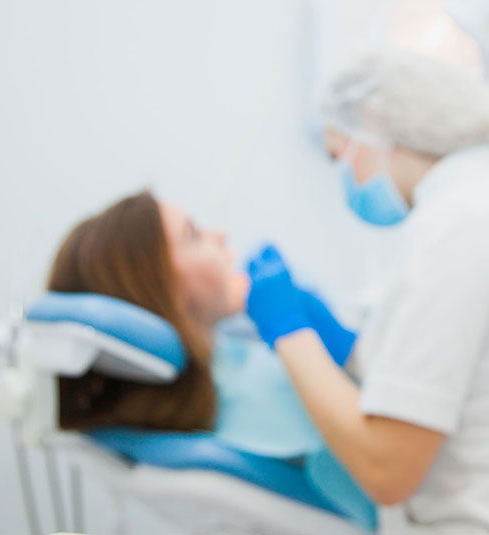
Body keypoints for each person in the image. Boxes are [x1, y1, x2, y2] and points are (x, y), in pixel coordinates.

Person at [243, 49, 489, 534]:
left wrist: (290, 334)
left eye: (342, 156)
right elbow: (464, 377)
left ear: (375, 124)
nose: (347, 179)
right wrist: (349, 349)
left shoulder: (455, 228)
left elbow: (386, 469)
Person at [45, 191, 377, 529]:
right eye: (194, 235)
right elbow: (384, 467)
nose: (220, 236)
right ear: (159, 289)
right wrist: (300, 337)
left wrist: (345, 354)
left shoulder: (232, 362)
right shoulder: (254, 406)